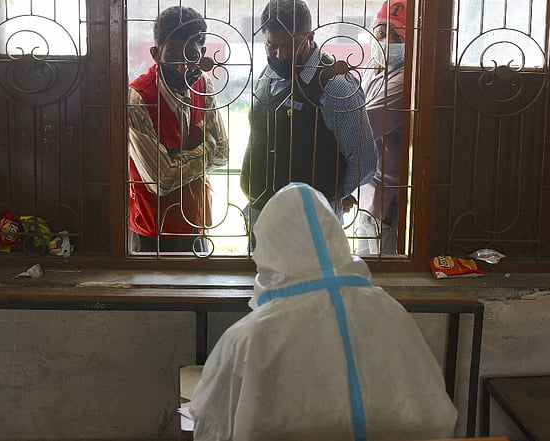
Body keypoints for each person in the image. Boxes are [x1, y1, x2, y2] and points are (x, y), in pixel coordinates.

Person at [189, 182, 458, 441]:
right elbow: (436, 415)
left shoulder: (250, 336)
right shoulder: (391, 313)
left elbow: (212, 423)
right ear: (336, 238)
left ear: (268, 249)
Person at [240, 0, 378, 248]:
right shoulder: (269, 73)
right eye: (272, 46)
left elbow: (364, 162)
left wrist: (331, 197)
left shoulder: (333, 87)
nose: (281, 55)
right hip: (261, 218)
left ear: (310, 37)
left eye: (291, 45)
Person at [127, 6, 229, 253]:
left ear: (202, 53)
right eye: (172, 54)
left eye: (191, 55)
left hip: (197, 222)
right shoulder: (138, 98)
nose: (182, 66)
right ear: (155, 54)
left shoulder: (203, 85)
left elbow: (224, 154)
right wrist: (208, 148)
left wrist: (176, 162)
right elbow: (161, 181)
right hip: (153, 229)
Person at [354, 0, 407, 255]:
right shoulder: (374, 67)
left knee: (383, 279)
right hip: (366, 196)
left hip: (388, 202)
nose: (387, 41)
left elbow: (363, 125)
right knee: (363, 275)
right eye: (382, 32)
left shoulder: (406, 79)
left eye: (398, 37)